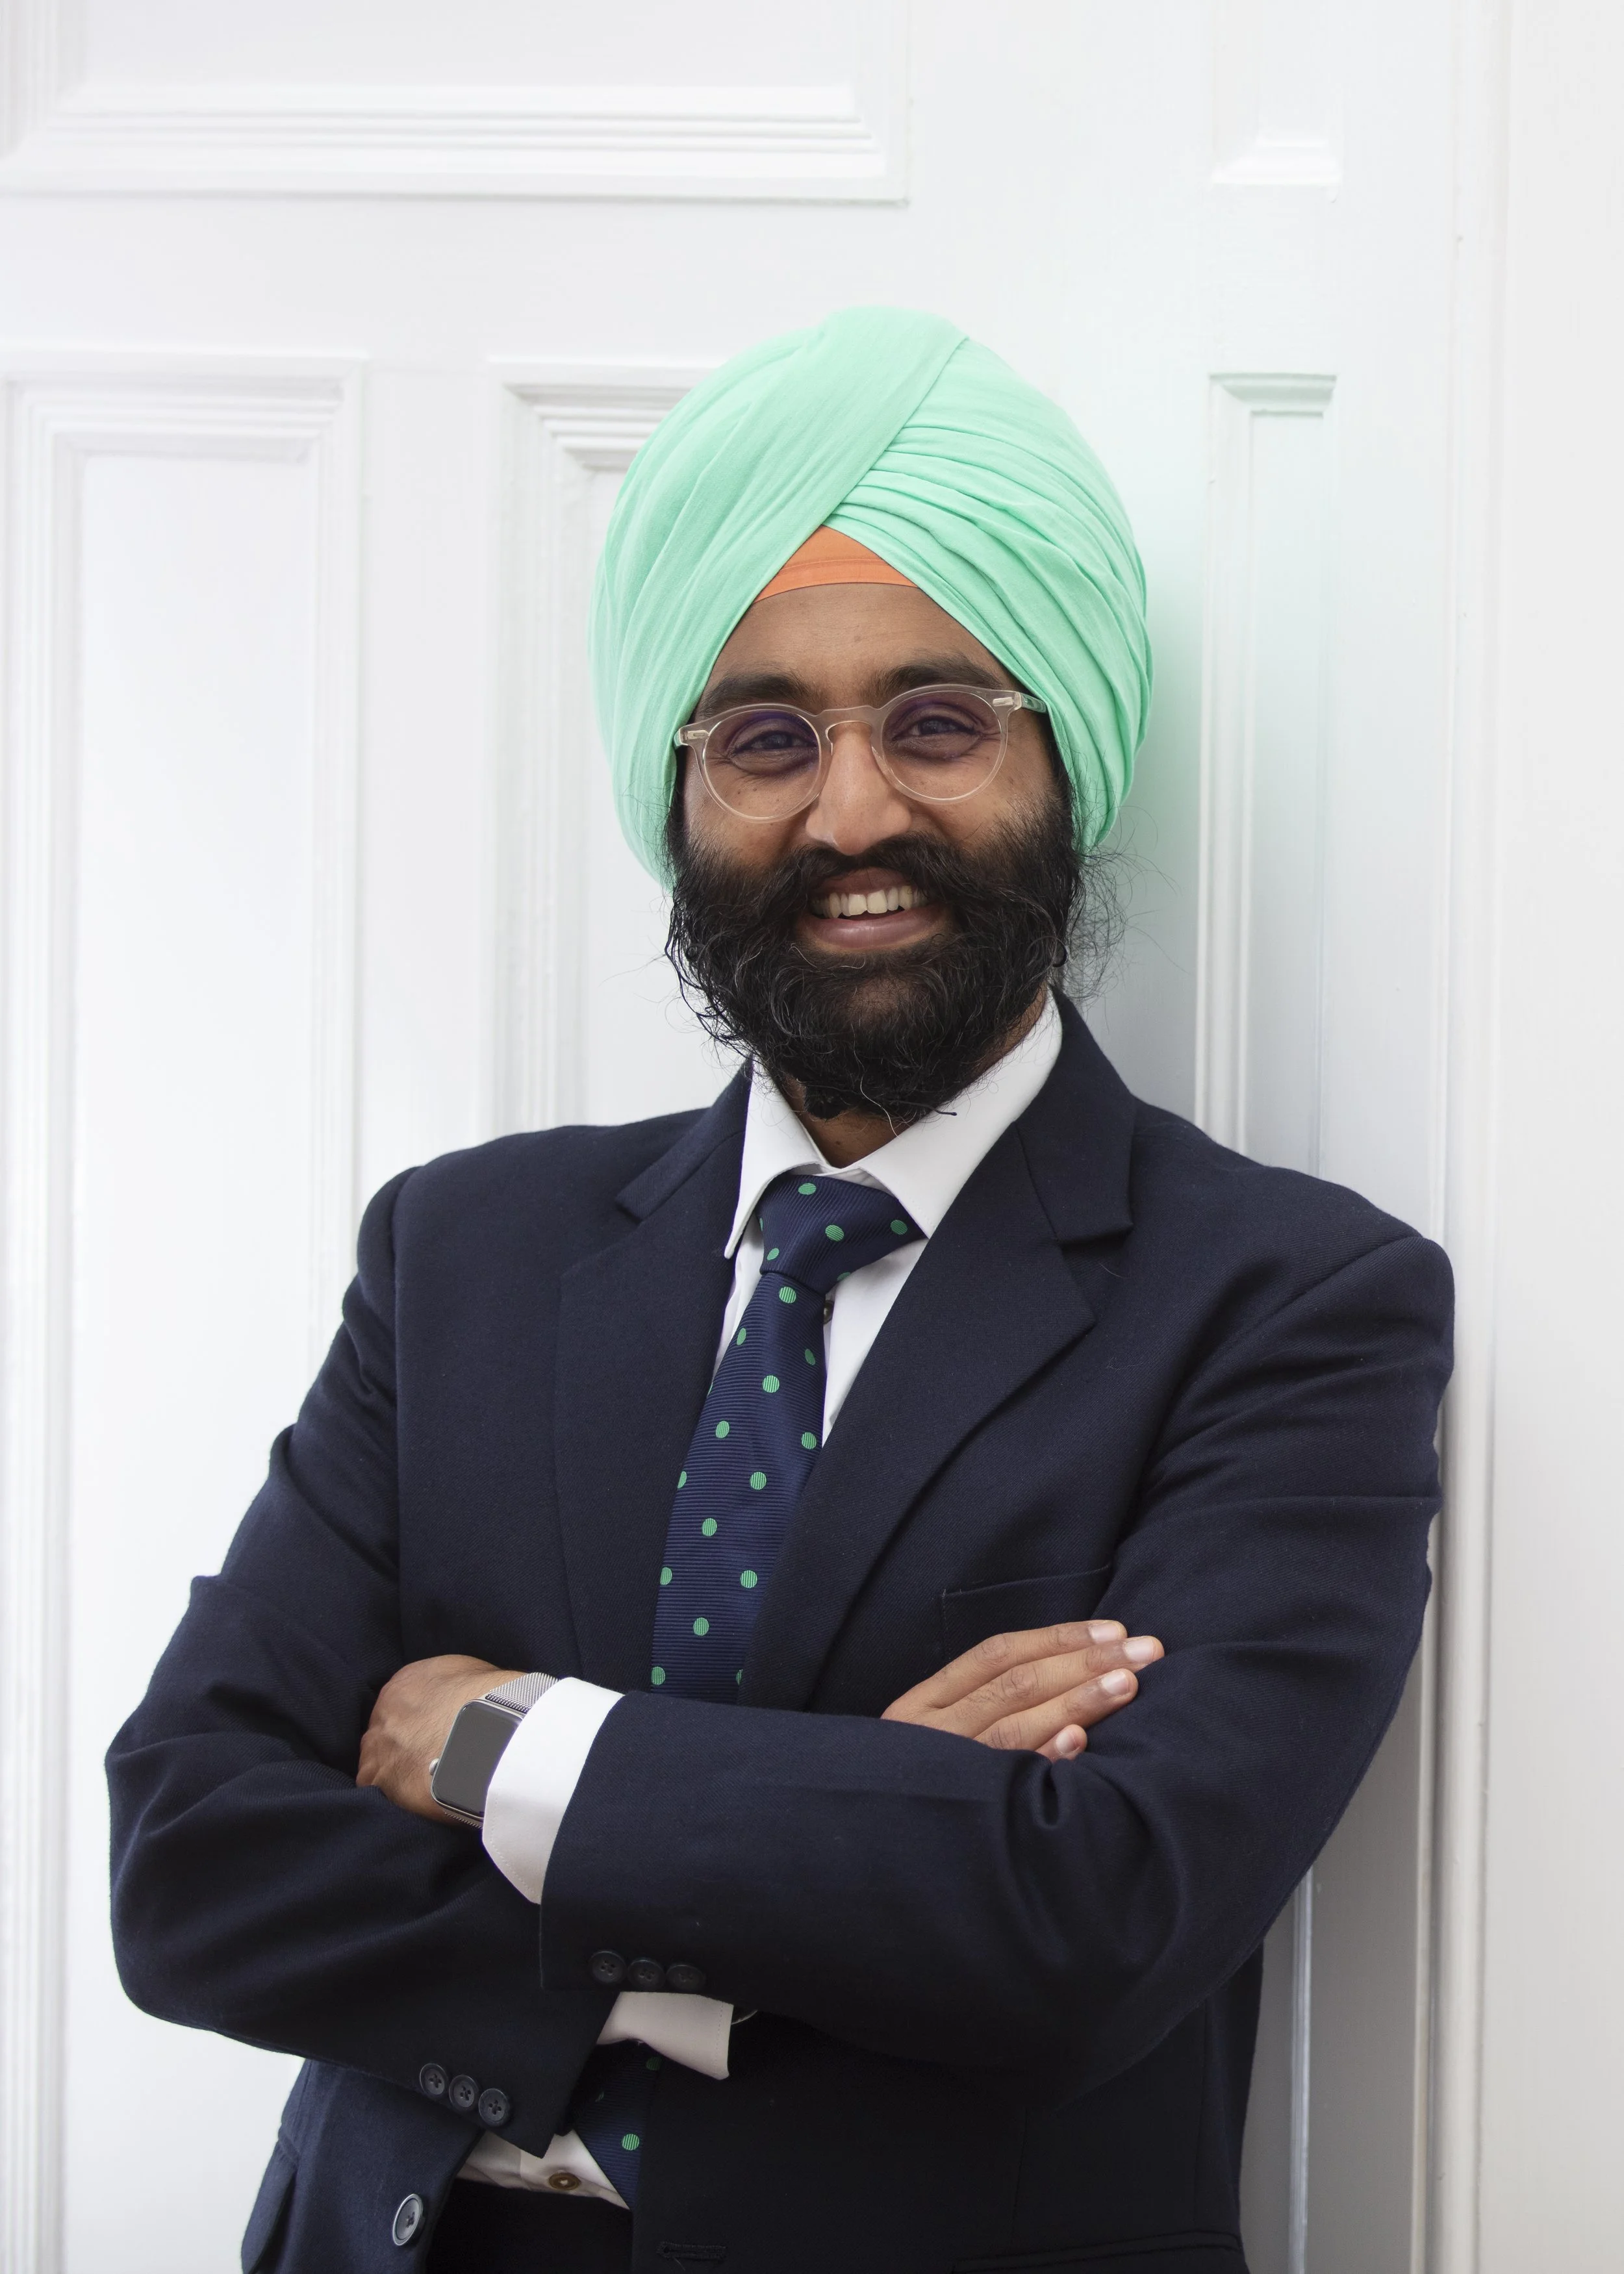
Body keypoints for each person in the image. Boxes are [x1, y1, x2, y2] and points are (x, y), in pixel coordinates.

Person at [108, 307, 1452, 2274]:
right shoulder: (462, 1249)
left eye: (937, 721)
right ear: (681, 793)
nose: (851, 815)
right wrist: (858, 1842)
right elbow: (190, 1855)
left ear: (1064, 756)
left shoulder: (1288, 1300)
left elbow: (1094, 1922)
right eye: (764, 738)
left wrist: (505, 1749)